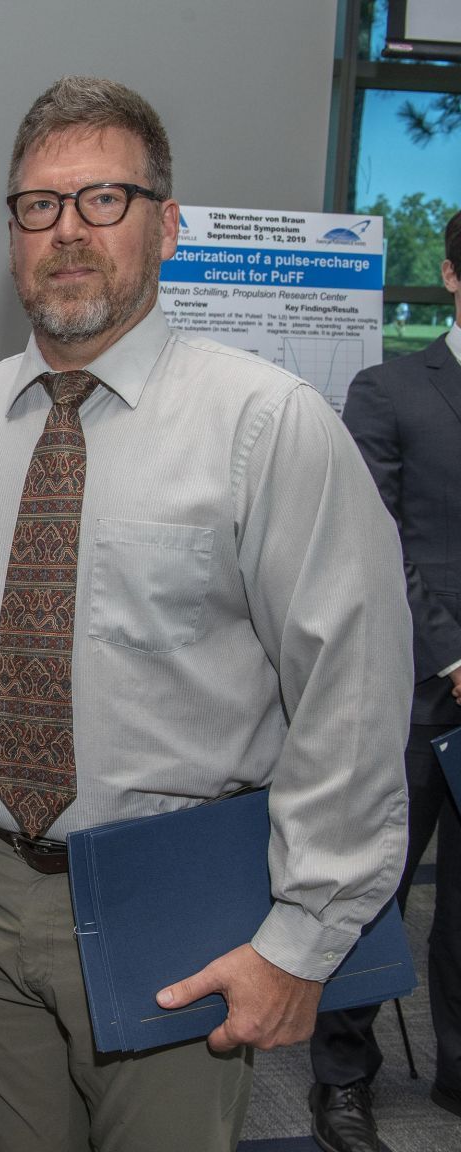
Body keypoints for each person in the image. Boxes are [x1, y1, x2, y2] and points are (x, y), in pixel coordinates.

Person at [0, 76, 412, 1152]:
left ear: (166, 225)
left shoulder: (268, 429)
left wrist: (304, 938)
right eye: (39, 205)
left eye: (103, 199)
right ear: (12, 233)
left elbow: (351, 701)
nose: (68, 232)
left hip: (177, 904)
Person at [308, 209, 461, 1152]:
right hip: (411, 693)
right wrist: (450, 651)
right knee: (374, 896)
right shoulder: (391, 390)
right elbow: (380, 542)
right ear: (450, 276)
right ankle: (341, 1083)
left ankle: (455, 1072)